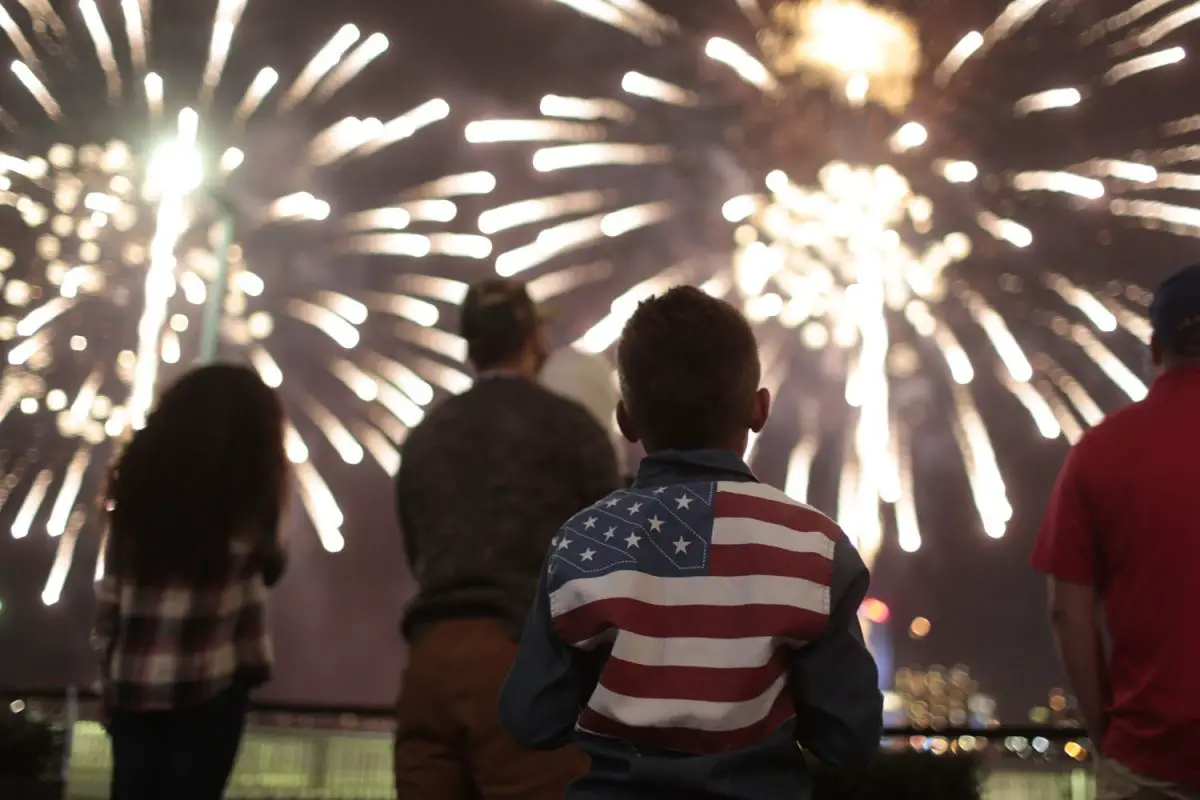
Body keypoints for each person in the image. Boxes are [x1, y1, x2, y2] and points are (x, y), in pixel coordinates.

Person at [499, 285, 882, 799]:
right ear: (759, 409)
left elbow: (531, 719)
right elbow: (849, 739)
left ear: (626, 420)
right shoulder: (814, 548)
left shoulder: (582, 541)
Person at [394, 278, 621, 799]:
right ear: (534, 340)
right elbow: (610, 556)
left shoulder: (426, 435)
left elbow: (417, 550)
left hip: (429, 661)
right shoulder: (571, 427)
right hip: (525, 664)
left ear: (470, 345)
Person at [1032, 263, 1200, 800]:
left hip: (1148, 757)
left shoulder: (1099, 453)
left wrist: (1107, 735)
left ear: (1154, 349)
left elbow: (1068, 612)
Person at [92, 363, 289, 800]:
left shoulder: (134, 503)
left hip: (131, 688)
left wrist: (105, 683)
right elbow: (255, 605)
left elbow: (110, 605)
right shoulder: (243, 511)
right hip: (208, 693)